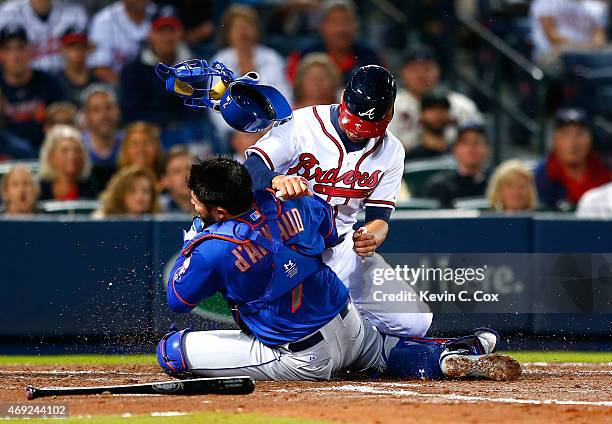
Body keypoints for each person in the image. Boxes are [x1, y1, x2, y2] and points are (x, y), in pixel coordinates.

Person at [157, 156, 521, 381]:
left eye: (196, 201)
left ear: (219, 211)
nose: (193, 203)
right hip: (348, 324)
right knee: (381, 350)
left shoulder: (212, 247)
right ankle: (444, 356)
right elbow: (331, 236)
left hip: (302, 356)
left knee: (170, 351)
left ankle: (434, 354)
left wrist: (195, 236)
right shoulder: (297, 199)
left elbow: (178, 298)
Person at [244, 65, 433, 338]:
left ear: (389, 115)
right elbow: (251, 168)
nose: (358, 132)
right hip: (287, 247)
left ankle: (359, 340)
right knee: (297, 333)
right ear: (343, 98)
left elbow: (379, 218)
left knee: (415, 321)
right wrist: (276, 179)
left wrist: (372, 236)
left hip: (342, 247)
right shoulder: (302, 124)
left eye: (368, 127)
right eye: (354, 122)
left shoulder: (391, 151)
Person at [119, 6, 205, 147]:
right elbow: (131, 112)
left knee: (198, 130)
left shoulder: (194, 66)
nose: (167, 37)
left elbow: (197, 108)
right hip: (150, 130)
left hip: (184, 129)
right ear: (150, 34)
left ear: (180, 34)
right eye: (161, 31)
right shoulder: (133, 69)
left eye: (171, 31)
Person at [210, 4, 291, 140]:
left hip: (271, 127)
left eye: (248, 26)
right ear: (228, 34)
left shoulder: (272, 58)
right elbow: (215, 102)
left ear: (256, 31)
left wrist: (271, 127)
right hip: (234, 131)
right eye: (238, 27)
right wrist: (236, 132)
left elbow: (283, 96)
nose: (243, 32)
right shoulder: (220, 61)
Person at [388, 44, 482, 151]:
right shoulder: (390, 107)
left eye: (427, 69)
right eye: (414, 70)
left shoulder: (462, 105)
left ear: (438, 71)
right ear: (402, 73)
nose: (421, 76)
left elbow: (479, 142)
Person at [286, 0, 383, 85]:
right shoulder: (304, 56)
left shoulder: (371, 57)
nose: (341, 29)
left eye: (346, 22)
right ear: (322, 26)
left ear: (356, 26)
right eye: (335, 22)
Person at [0, 24, 65, 149]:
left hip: (44, 153)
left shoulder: (48, 82)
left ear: (30, 51)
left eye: (20, 48)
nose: (15, 56)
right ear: (1, 54)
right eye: (8, 49)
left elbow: (61, 122)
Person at [535, 108, 611, 211]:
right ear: (555, 140)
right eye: (566, 134)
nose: (573, 143)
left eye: (579, 134)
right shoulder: (541, 177)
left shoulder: (605, 173)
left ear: (589, 140)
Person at [0, 0, 88, 72]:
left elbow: (86, 55)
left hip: (66, 83)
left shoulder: (74, 12)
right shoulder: (8, 13)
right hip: (24, 81)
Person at [87, 0, 158, 84]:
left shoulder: (160, 13)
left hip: (156, 86)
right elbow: (100, 69)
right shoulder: (103, 20)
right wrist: (129, 90)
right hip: (117, 86)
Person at [423, 122, 490, 208]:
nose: (471, 148)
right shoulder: (438, 187)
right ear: (455, 149)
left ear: (487, 149)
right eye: (465, 143)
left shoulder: (496, 186)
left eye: (477, 142)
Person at [529, 0, 608, 68]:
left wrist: (585, 49)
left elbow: (599, 40)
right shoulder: (546, 2)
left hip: (588, 54)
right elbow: (553, 39)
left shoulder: (598, 7)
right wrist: (585, 48)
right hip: (551, 54)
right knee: (566, 59)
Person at [37, 124, 98, 201]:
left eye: (77, 150)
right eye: (65, 151)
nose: (72, 156)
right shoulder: (40, 188)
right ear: (50, 156)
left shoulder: (90, 185)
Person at [81, 84, 123, 188]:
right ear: (87, 116)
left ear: (118, 111)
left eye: (109, 107)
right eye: (96, 110)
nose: (104, 115)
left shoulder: (129, 145)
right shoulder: (77, 147)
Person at [405, 89, 453, 160]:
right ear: (421, 115)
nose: (437, 114)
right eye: (431, 109)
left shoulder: (458, 154)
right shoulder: (410, 157)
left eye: (442, 109)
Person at [94, 165, 160, 216]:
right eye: (132, 191)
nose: (140, 197)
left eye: (145, 191)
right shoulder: (103, 218)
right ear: (120, 194)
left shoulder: (160, 218)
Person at [56, 28, 99, 106]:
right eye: (72, 47)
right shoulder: (55, 82)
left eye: (82, 47)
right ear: (62, 50)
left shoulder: (97, 81)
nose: (77, 52)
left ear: (88, 50)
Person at [159, 145, 194, 214]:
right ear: (165, 180)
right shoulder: (158, 209)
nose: (185, 175)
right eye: (177, 171)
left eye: (188, 168)